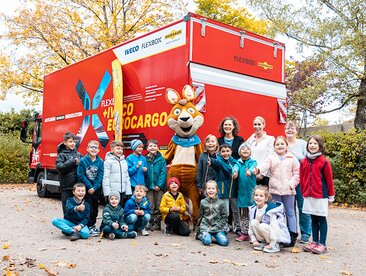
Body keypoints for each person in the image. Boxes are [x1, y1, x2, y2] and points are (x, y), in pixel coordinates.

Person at [254, 136, 300, 247]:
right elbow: (265, 165)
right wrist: (258, 169)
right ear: (274, 147)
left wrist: (291, 184)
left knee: (290, 212)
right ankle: (278, 234)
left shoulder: (292, 158)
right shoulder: (271, 157)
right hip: (275, 190)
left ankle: (292, 235)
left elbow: (297, 173)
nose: (280, 146)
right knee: (277, 213)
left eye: (282, 144)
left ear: (286, 146)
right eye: (277, 144)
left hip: (288, 190)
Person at [300, 135, 335, 254]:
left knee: (321, 219)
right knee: (313, 219)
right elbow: (302, 178)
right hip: (308, 195)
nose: (312, 145)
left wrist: (331, 195)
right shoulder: (304, 161)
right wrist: (303, 191)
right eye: (310, 143)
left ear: (320, 146)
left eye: (315, 143)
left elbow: (329, 180)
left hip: (320, 195)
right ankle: (314, 242)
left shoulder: (324, 162)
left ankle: (322, 244)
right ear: (307, 146)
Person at [285, 121, 312, 244]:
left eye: (292, 128)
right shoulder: (283, 144)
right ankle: (292, 232)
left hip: (302, 181)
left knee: (303, 207)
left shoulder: (302, 144)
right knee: (289, 209)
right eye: (287, 128)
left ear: (296, 130)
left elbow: (309, 160)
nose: (289, 130)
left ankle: (306, 233)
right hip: (287, 180)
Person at [210, 143, 241, 235]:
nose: (225, 153)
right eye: (223, 151)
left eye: (227, 151)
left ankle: (237, 226)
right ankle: (224, 225)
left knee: (236, 210)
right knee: (225, 211)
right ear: (219, 153)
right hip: (224, 190)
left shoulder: (235, 162)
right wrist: (210, 159)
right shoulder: (219, 161)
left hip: (234, 190)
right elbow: (214, 162)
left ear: (231, 152)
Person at [248, 185, 290, 253]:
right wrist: (254, 240)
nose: (258, 198)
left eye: (261, 196)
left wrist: (273, 243)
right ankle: (264, 242)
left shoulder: (271, 210)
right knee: (254, 222)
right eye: (256, 195)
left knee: (263, 225)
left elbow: (275, 228)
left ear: (266, 198)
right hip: (265, 233)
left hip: (275, 235)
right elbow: (250, 226)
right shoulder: (253, 209)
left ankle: (275, 245)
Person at [77, 140, 104, 237]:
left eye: (96, 147)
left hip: (96, 189)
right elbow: (81, 175)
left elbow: (100, 176)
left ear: (99, 150)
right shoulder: (83, 161)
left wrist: (95, 187)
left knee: (95, 208)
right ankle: (87, 225)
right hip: (87, 189)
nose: (93, 149)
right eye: (91, 147)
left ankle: (92, 225)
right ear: (87, 149)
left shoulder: (100, 162)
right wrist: (89, 187)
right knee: (89, 208)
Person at [232, 142, 257, 242]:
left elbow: (253, 168)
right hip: (242, 193)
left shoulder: (253, 162)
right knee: (244, 214)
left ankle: (254, 234)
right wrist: (234, 173)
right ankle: (244, 233)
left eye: (247, 149)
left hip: (252, 193)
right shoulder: (238, 163)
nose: (245, 150)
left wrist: (250, 172)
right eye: (243, 149)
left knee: (254, 214)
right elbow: (235, 168)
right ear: (239, 152)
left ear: (250, 152)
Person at [56, 132, 83, 215]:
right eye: (70, 142)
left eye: (74, 142)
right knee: (67, 207)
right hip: (66, 186)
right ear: (65, 143)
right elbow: (60, 168)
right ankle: (66, 226)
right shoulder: (61, 155)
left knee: (77, 207)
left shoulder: (79, 154)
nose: (73, 144)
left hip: (77, 186)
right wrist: (72, 161)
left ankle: (76, 225)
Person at [195, 180, 229, 246]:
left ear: (216, 190)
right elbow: (200, 216)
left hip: (218, 228)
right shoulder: (203, 202)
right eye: (209, 188)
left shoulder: (221, 203)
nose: (211, 190)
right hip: (206, 226)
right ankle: (201, 235)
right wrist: (197, 229)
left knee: (224, 242)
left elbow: (225, 218)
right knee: (207, 241)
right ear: (206, 191)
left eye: (213, 188)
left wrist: (217, 226)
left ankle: (220, 235)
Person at [145, 139, 166, 231]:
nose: (152, 148)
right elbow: (144, 173)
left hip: (159, 187)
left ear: (157, 148)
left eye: (154, 146)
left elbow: (163, 173)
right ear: (147, 148)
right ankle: (151, 222)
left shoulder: (161, 160)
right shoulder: (145, 159)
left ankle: (158, 223)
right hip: (148, 186)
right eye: (150, 146)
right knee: (150, 204)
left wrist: (159, 185)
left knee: (158, 204)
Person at [246, 116, 275, 186]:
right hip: (251, 173)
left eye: (259, 124)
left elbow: (270, 157)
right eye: (255, 124)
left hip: (264, 175)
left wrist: (262, 173)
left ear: (264, 125)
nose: (257, 126)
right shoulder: (250, 140)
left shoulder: (270, 139)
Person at [102, 140, 132, 207]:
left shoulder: (124, 162)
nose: (120, 151)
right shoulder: (108, 162)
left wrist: (128, 191)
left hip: (123, 191)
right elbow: (105, 178)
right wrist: (107, 193)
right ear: (112, 150)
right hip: (113, 192)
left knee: (121, 209)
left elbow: (127, 177)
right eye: (118, 149)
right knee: (112, 210)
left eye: (121, 149)